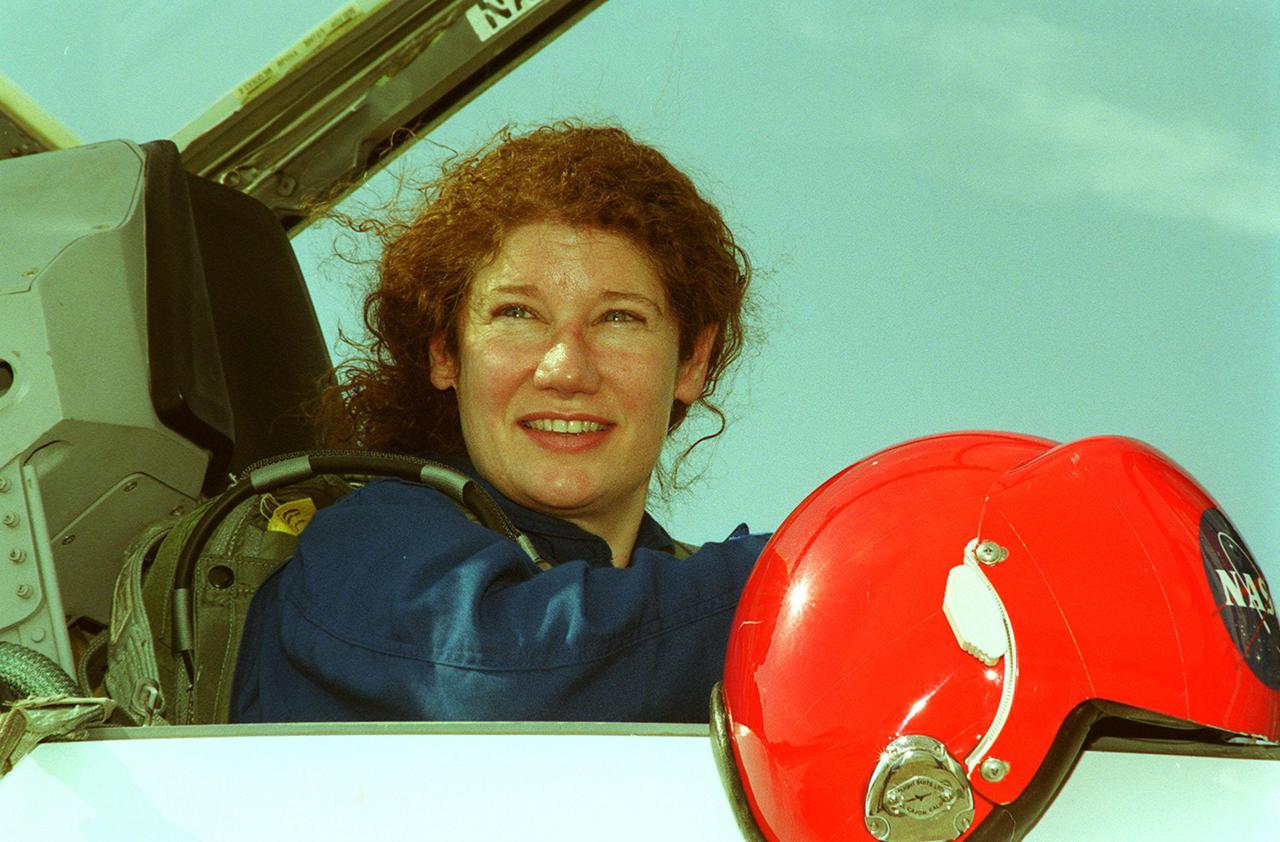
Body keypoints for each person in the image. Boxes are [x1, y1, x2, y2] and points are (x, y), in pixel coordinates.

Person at [230, 122, 769, 723]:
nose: (566, 369)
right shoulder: (359, 547)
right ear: (445, 353)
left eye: (619, 317)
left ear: (692, 363)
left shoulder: (692, 612)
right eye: (517, 313)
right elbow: (503, 679)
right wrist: (807, 578)